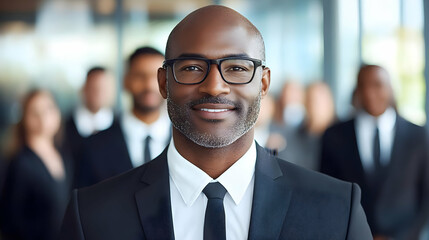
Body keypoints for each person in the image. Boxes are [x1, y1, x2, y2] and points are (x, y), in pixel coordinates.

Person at [60, 5, 372, 239]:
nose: (214, 86)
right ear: (164, 82)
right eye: (192, 67)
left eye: (236, 68)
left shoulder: (336, 209)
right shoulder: (92, 216)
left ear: (263, 84)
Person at [320, 65, 429, 239]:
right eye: (363, 86)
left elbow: (425, 198)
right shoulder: (335, 136)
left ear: (390, 88)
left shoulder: (417, 135)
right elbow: (326, 191)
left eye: (377, 85)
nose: (369, 93)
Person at [75, 47, 170, 188]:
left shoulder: (189, 144)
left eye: (157, 77)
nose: (149, 85)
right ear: (125, 81)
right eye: (140, 76)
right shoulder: (93, 147)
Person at [1, 89, 73, 240]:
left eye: (48, 109)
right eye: (35, 112)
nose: (43, 117)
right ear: (24, 118)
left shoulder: (64, 155)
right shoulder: (20, 163)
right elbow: (12, 223)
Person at [64, 67, 115, 183]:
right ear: (84, 89)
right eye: (94, 88)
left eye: (103, 89)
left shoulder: (118, 125)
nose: (98, 93)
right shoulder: (66, 127)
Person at [277, 82, 336, 170]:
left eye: (320, 101)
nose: (315, 106)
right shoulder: (294, 137)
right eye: (311, 100)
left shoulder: (342, 137)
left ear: (330, 103)